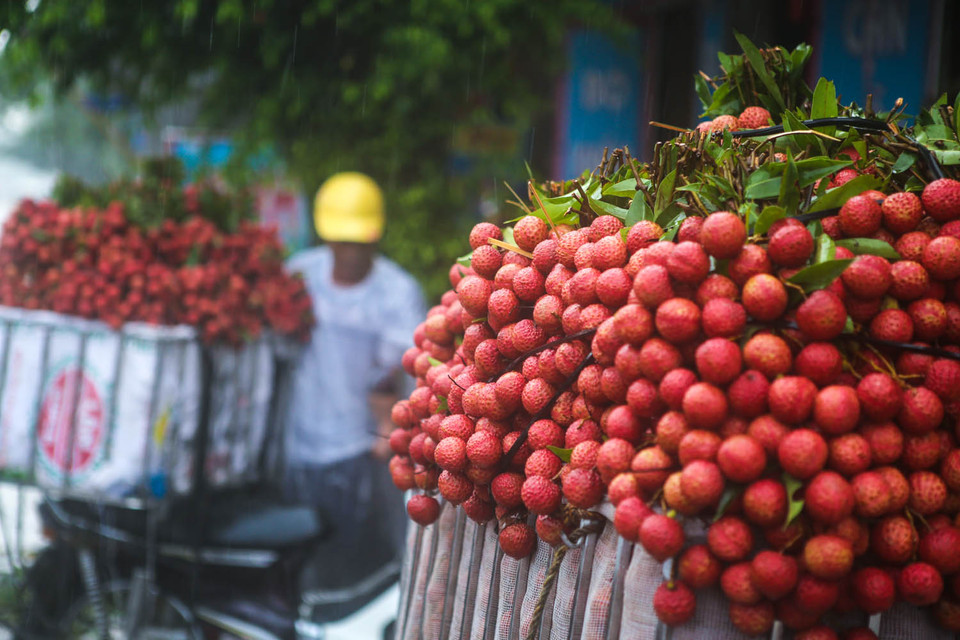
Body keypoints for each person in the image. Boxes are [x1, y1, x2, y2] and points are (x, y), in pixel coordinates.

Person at [283, 172, 426, 620]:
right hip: (299, 445)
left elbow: (399, 372)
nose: (347, 253)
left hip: (359, 454)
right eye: (339, 242)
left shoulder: (396, 294)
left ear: (374, 238)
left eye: (356, 242)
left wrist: (387, 429)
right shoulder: (301, 275)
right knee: (298, 564)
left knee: (354, 571)